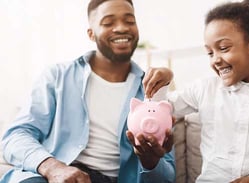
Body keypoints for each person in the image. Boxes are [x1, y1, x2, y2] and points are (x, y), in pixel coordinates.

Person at [0, 0, 176, 182]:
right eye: (108, 23)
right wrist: (53, 168)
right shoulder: (57, 76)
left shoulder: (152, 91)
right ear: (91, 34)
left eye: (130, 21)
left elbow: (167, 176)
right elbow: (16, 136)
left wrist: (151, 162)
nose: (122, 28)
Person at [144, 0, 249, 182]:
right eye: (210, 53)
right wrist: (164, 80)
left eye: (223, 48)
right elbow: (160, 110)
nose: (215, 60)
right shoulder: (205, 89)